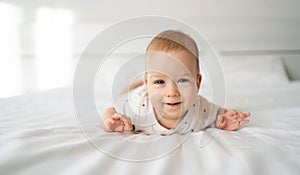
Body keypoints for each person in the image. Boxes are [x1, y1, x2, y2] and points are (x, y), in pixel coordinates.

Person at [101, 30, 250, 134]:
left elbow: (220, 114)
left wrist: (224, 121)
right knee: (126, 91)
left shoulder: (201, 110)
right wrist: (110, 121)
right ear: (149, 84)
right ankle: (139, 84)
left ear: (197, 84)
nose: (172, 92)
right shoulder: (138, 108)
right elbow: (111, 109)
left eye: (182, 80)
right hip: (139, 93)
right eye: (160, 81)